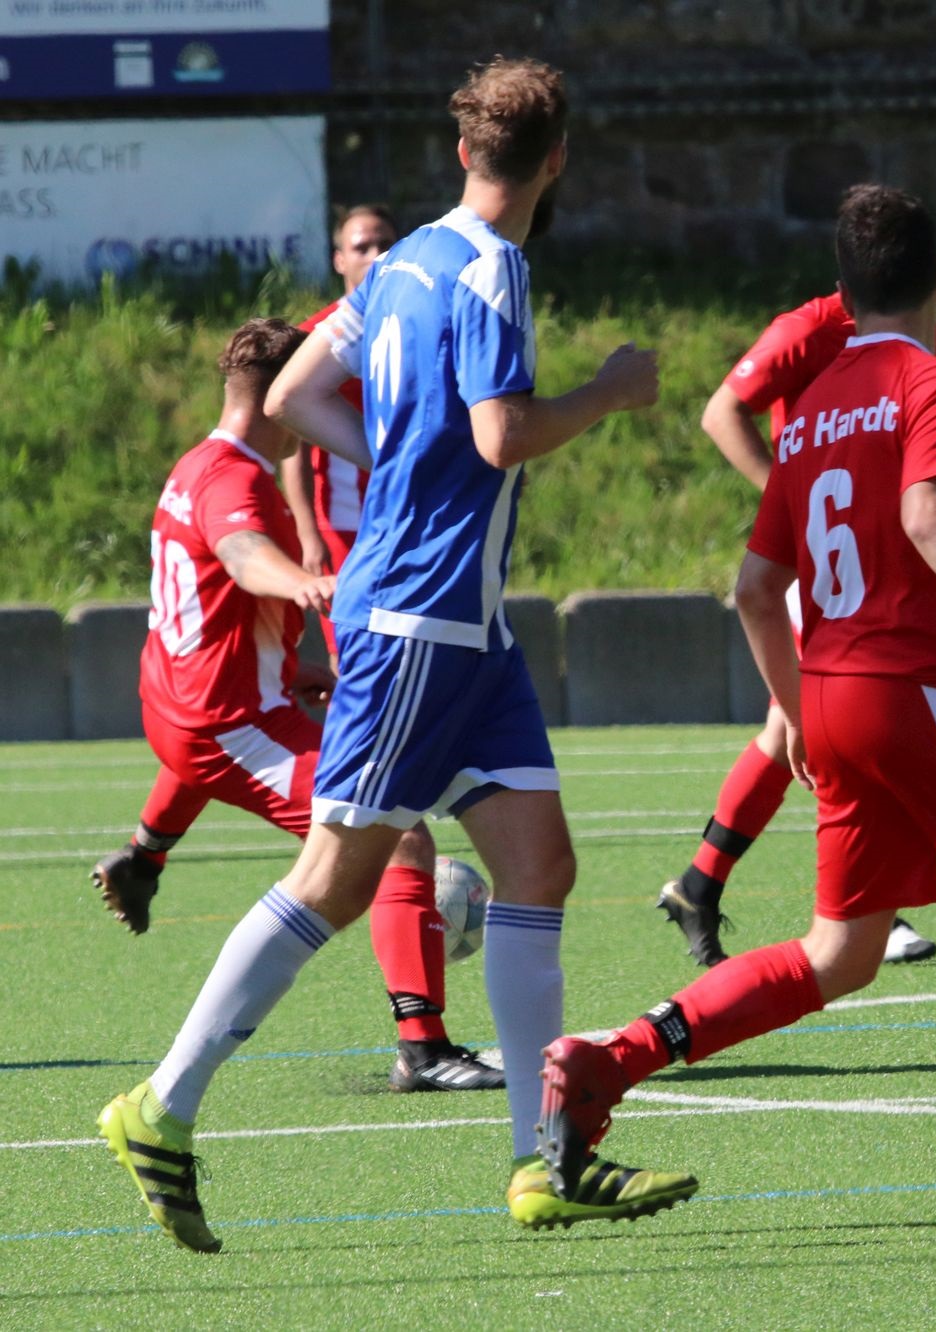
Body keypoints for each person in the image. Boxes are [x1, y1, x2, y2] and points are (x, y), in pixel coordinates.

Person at [96, 57, 687, 1254]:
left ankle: (542, 1162)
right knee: (338, 875)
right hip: (417, 614)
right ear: (557, 160)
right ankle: (162, 1105)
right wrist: (611, 393)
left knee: (541, 865)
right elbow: (503, 432)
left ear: (464, 149)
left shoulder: (405, 256)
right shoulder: (493, 266)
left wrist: (398, 449)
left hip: (470, 629)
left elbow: (298, 396)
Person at [532, 185, 936, 1245]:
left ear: (842, 298)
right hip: (924, 693)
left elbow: (758, 589)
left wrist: (799, 711)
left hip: (836, 693)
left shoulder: (811, 411)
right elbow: (925, 509)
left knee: (837, 953)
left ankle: (605, 1061)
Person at [89, 317, 500, 1097]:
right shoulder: (235, 481)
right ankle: (424, 1046)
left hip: (184, 700)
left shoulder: (196, 462)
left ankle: (145, 856)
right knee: (399, 834)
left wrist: (292, 664)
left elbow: (217, 593)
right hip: (225, 720)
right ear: (279, 398)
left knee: (246, 768)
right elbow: (243, 558)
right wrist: (303, 582)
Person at [657, 286, 936, 969]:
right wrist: (793, 503)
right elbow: (722, 411)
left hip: (869, 555)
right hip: (827, 558)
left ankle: (700, 884)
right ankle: (866, 903)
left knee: (794, 727)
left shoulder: (918, 329)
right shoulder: (810, 327)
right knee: (840, 711)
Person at [278, 203, 399, 665]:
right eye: (361, 246)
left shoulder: (422, 326)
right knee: (351, 650)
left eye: (385, 244)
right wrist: (308, 533)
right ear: (339, 260)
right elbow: (292, 443)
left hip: (412, 509)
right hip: (345, 522)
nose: (374, 254)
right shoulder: (319, 336)